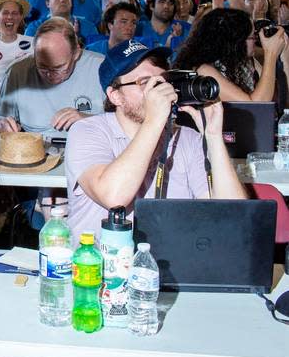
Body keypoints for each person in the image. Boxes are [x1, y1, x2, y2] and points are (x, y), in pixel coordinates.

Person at [65, 40, 248, 243]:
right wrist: (155, 119)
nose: (159, 90)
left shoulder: (186, 138)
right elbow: (114, 197)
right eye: (145, 83)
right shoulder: (87, 131)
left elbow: (235, 217)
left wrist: (213, 137)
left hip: (173, 264)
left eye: (162, 81)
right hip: (99, 267)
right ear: (115, 96)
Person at [0, 17, 105, 136]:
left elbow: (122, 123)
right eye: (42, 67)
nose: (50, 74)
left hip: (89, 145)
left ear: (76, 53)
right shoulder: (18, 70)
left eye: (58, 68)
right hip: (35, 148)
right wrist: (0, 126)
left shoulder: (101, 67)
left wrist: (89, 120)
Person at [174, 7, 286, 103]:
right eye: (252, 37)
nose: (256, 41)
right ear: (235, 42)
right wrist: (270, 54)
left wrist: (286, 51)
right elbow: (254, 107)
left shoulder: (244, 63)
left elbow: (277, 94)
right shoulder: (203, 71)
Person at [25, 0, 99, 43]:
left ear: (71, 2)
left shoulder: (89, 27)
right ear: (47, 3)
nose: (63, 0)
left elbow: (96, 56)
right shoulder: (34, 28)